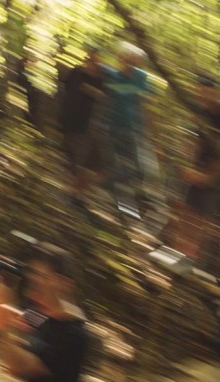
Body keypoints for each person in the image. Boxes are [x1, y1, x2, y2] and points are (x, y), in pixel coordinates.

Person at [0, 243, 88, 382]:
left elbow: (18, 366)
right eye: (32, 273)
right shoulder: (36, 313)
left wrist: (3, 300)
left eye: (43, 277)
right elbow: (9, 354)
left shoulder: (72, 332)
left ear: (66, 284)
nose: (33, 280)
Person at [102, 42, 159, 209]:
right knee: (118, 166)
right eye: (127, 59)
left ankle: (135, 199)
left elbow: (148, 105)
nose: (130, 63)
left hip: (135, 129)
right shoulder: (112, 75)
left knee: (139, 169)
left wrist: (153, 134)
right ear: (121, 59)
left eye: (134, 60)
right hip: (113, 127)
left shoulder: (141, 77)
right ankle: (118, 199)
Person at [171, 74, 220, 265]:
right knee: (186, 213)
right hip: (199, 169)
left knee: (201, 218)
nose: (201, 96)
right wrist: (187, 166)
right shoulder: (202, 113)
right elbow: (194, 141)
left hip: (214, 175)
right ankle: (179, 258)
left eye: (205, 92)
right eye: (198, 92)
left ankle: (190, 261)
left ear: (214, 92)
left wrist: (208, 177)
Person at [58, 45, 107, 208]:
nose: (92, 62)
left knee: (90, 165)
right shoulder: (77, 73)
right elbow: (65, 89)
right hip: (71, 123)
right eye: (90, 58)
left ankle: (78, 194)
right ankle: (73, 194)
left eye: (95, 59)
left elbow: (104, 96)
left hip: (89, 127)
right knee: (74, 162)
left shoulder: (102, 79)